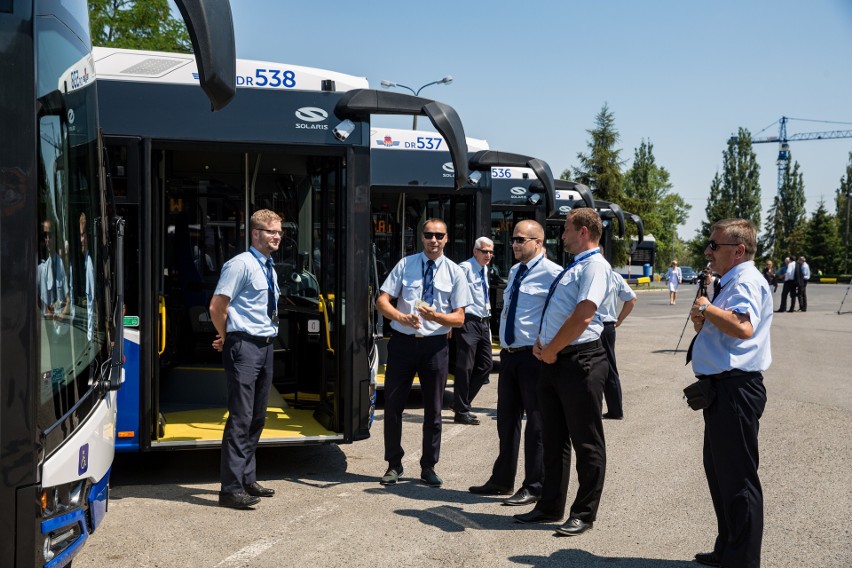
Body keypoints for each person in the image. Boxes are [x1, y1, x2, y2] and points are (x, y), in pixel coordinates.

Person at [513, 208, 611, 538]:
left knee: (587, 443)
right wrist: (543, 345)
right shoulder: (577, 265)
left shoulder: (595, 266)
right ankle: (550, 506)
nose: (562, 234)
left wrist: (552, 348)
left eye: (567, 229)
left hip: (580, 362)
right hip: (555, 361)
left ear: (583, 232)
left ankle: (583, 513)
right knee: (553, 439)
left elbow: (585, 314)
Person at [688, 218, 772, 568]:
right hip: (722, 389)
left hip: (736, 390)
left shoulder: (748, 280)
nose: (708, 251)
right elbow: (723, 326)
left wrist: (707, 308)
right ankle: (729, 548)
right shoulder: (731, 280)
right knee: (721, 473)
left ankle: (742, 560)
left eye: (714, 245)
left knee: (738, 480)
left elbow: (742, 326)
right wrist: (704, 315)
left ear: (738, 251)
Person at [468, 220, 561, 506]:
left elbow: (560, 314)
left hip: (533, 358)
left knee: (536, 424)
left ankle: (534, 485)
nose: (515, 244)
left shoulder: (554, 274)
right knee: (507, 421)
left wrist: (547, 344)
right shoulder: (514, 270)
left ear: (538, 242)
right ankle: (502, 480)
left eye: (521, 239)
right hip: (508, 356)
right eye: (513, 239)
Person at [375, 219, 471, 488]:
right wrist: (400, 317)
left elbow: (460, 318)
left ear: (447, 238)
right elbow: (382, 300)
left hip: (435, 347)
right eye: (429, 235)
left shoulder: (454, 272)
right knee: (393, 406)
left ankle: (428, 466)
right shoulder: (406, 264)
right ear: (422, 237)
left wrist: (437, 316)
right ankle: (394, 464)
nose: (434, 240)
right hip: (403, 344)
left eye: (439, 235)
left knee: (434, 409)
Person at [209, 209, 282, 510]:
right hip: (245, 347)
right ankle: (230, 489)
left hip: (264, 347)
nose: (276, 236)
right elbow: (217, 306)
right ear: (255, 233)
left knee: (257, 416)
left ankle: (247, 478)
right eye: (270, 231)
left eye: (279, 231)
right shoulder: (240, 264)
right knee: (240, 418)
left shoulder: (268, 266)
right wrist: (227, 336)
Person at [453, 237, 495, 425]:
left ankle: (461, 402)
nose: (488, 255)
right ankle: (461, 410)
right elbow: (452, 293)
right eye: (484, 251)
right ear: (475, 251)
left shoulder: (484, 269)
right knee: (465, 367)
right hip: (469, 321)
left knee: (486, 365)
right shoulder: (465, 268)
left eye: (491, 252)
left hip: (483, 321)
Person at [599, 269, 637, 420]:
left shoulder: (582, 272)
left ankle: (590, 410)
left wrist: (619, 319)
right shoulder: (614, 276)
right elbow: (632, 298)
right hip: (608, 326)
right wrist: (619, 319)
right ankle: (616, 410)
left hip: (591, 326)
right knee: (609, 367)